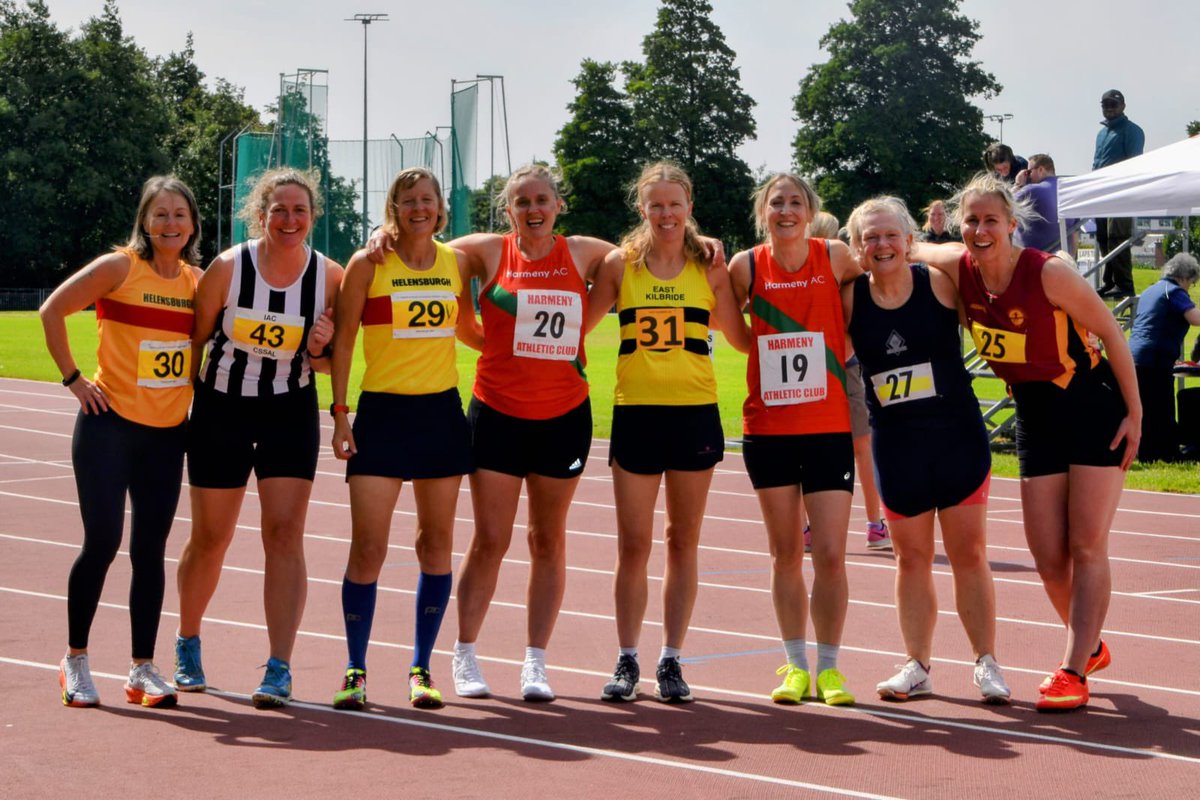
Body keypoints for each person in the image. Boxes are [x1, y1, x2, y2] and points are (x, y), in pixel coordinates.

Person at [912, 173, 1141, 712]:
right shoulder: (957, 265)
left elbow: (1110, 333)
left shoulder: (1048, 273)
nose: (980, 229)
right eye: (971, 220)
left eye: (992, 219)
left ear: (1013, 225)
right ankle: (1091, 645)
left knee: (1086, 544)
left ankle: (1072, 668)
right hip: (1034, 416)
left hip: (1091, 407)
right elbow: (906, 243)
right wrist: (865, 243)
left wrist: (1136, 412)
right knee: (1046, 556)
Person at [174, 169, 343, 708]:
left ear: (312, 216)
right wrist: (184, 410)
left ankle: (279, 666)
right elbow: (196, 341)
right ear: (261, 214)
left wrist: (319, 347)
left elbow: (323, 363)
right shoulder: (227, 268)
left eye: (299, 211)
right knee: (211, 537)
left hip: (288, 411)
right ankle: (188, 639)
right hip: (221, 408)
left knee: (285, 534)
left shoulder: (329, 278)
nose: (289, 220)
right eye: (279, 210)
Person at [585, 162, 749, 703]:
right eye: (655, 205)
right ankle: (626, 658)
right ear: (642, 209)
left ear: (689, 206)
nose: (665, 214)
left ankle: (672, 660)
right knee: (633, 545)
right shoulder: (619, 264)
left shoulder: (710, 266)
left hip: (694, 413)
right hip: (636, 412)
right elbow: (577, 321)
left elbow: (742, 339)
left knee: (683, 542)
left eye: (674, 204)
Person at [41, 176, 204, 708]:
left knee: (149, 552)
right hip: (109, 426)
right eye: (160, 214)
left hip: (167, 435)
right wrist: (74, 380)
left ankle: (141, 669)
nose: (170, 223)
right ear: (144, 220)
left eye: (179, 214)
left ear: (193, 223)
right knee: (103, 542)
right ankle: (75, 659)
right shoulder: (119, 267)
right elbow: (52, 311)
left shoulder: (199, 282)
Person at [843, 196, 1010, 705]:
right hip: (897, 446)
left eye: (891, 234)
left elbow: (986, 303)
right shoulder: (850, 298)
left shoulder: (938, 284)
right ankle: (917, 665)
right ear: (857, 247)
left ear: (910, 239)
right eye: (870, 237)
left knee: (969, 554)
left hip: (956, 438)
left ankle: (986, 662)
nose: (882, 244)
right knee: (910, 559)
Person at [329, 168, 483, 712]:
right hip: (381, 415)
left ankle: (421, 669)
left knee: (435, 545)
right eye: (407, 200)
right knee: (368, 548)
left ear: (441, 208)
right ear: (393, 208)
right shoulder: (368, 263)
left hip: (440, 414)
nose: (419, 208)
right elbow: (343, 341)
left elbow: (470, 328)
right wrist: (340, 413)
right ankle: (355, 670)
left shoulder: (457, 262)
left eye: (428, 200)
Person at [729, 173, 863, 707]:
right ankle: (794, 667)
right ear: (763, 211)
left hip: (828, 427)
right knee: (785, 553)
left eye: (795, 202)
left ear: (809, 211)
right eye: (776, 202)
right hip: (769, 430)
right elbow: (732, 327)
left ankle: (829, 668)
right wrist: (760, 349)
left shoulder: (833, 257)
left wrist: (841, 346)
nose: (785, 210)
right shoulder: (746, 265)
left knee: (830, 555)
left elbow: (870, 299)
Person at [803, 212, 889, 552]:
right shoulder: (820, 270)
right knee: (859, 445)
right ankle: (873, 523)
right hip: (827, 365)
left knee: (847, 445)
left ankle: (811, 527)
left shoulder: (846, 275)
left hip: (835, 363)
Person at [1128, 253, 1200, 462]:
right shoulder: (1174, 291)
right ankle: (1167, 453)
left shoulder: (1151, 290)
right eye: (1192, 283)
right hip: (1154, 357)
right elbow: (1195, 318)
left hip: (1135, 355)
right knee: (1162, 406)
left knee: (1145, 407)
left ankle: (1146, 452)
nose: (1190, 287)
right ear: (1185, 277)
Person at [1093, 89, 1145, 298]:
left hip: (1120, 192)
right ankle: (1110, 280)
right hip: (1100, 191)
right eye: (1105, 105)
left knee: (1117, 236)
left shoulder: (1132, 130)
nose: (1109, 109)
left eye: (1113, 104)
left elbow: (1134, 162)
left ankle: (1124, 283)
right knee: (1103, 237)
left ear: (1123, 106)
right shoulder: (1102, 133)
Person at [1014, 154, 1064, 253]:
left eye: (1029, 172)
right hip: (1062, 259)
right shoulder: (1067, 190)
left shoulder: (1031, 190)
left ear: (1041, 169)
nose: (1028, 176)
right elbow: (1075, 234)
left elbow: (1001, 203)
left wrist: (1018, 184)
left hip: (1034, 260)